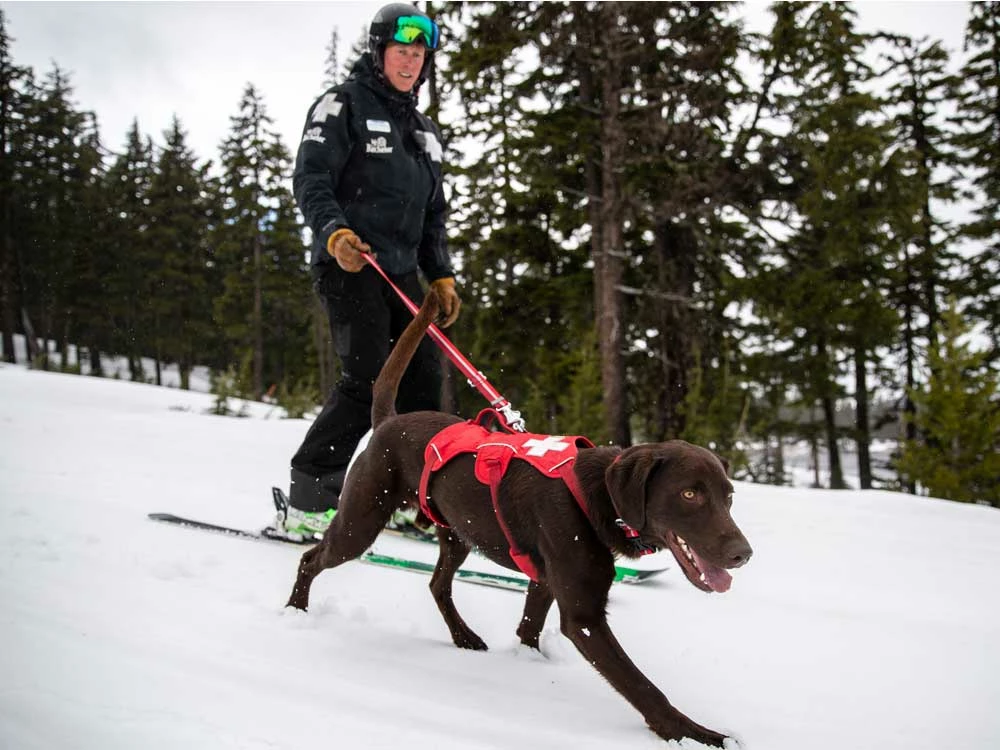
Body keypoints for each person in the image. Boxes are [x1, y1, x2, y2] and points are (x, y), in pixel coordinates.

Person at [276, 3, 461, 539]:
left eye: (420, 52)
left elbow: (432, 215)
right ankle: (310, 496)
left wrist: (441, 275)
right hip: (350, 261)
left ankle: (416, 499)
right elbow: (311, 178)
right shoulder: (342, 105)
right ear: (378, 52)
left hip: (402, 274)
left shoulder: (424, 131)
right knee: (368, 380)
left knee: (425, 384)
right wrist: (334, 232)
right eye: (401, 50)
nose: (411, 60)